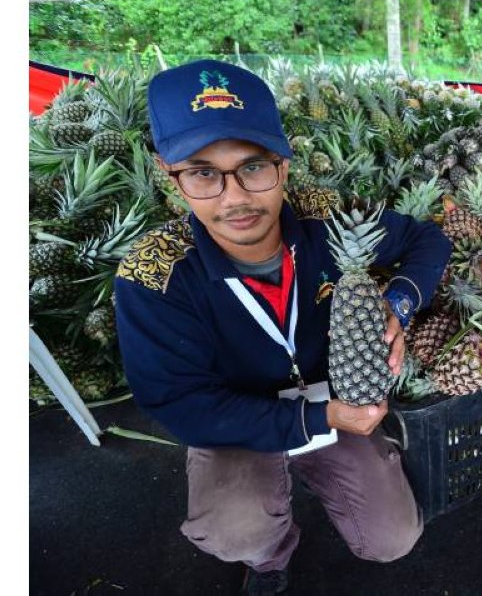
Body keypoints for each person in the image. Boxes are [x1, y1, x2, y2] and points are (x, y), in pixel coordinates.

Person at [114, 60, 452, 596]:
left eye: (253, 167)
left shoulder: (326, 220)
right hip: (236, 419)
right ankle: (271, 559)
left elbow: (428, 238)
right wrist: (313, 417)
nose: (234, 197)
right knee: (236, 530)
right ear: (168, 174)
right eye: (203, 172)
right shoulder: (152, 275)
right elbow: (177, 403)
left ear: (284, 163)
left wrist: (399, 305)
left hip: (338, 397)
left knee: (392, 539)